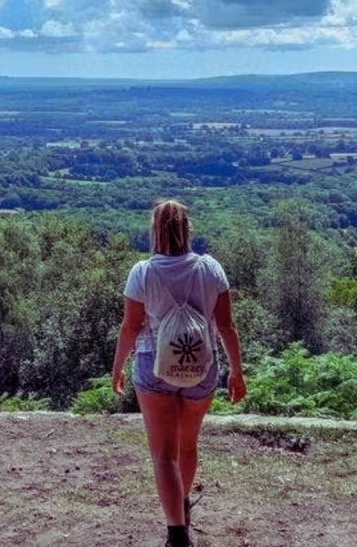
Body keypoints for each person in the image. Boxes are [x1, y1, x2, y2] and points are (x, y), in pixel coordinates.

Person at [112, 200, 246, 547]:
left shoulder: (142, 273)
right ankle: (181, 511)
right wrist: (236, 371)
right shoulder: (210, 269)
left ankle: (177, 535)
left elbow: (130, 327)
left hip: (152, 366)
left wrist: (117, 368)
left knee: (163, 454)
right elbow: (227, 326)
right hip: (202, 368)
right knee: (187, 447)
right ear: (188, 230)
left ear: (154, 230)